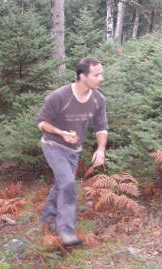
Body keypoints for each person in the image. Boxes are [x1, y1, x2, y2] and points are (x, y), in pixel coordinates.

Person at [36, 57, 108, 246]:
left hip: (74, 150)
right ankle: (66, 231)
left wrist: (101, 149)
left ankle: (47, 220)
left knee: (62, 184)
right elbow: (41, 123)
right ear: (83, 76)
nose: (101, 78)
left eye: (102, 73)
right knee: (68, 182)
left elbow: (101, 127)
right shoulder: (59, 96)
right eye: (97, 74)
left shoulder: (98, 99)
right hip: (53, 145)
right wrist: (60, 132)